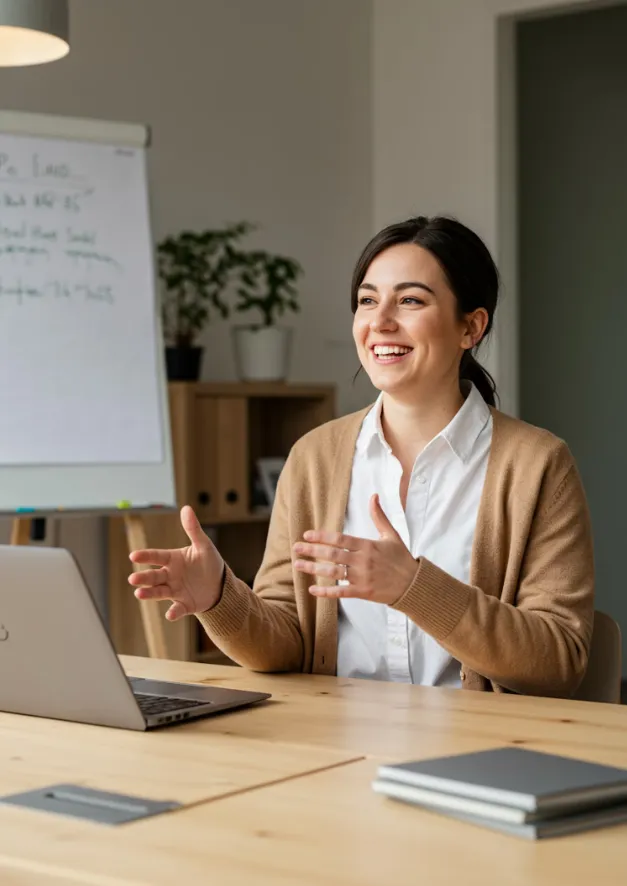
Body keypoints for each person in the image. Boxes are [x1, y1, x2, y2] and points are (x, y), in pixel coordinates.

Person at [129, 216, 594, 697]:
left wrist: (414, 588)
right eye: (367, 301)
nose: (380, 322)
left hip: (479, 752)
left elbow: (560, 660)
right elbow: (287, 639)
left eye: (410, 300)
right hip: (336, 742)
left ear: (471, 327)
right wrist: (219, 597)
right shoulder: (314, 457)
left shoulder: (538, 465)